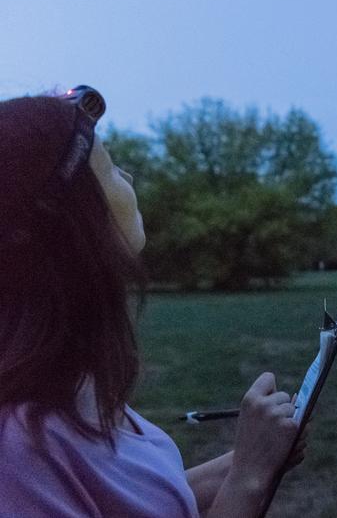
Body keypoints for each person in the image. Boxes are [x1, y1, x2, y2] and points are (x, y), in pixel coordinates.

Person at [0, 90, 304, 517]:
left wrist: (250, 458)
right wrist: (249, 476)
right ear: (77, 223)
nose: (128, 176)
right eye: (108, 169)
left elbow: (142, 505)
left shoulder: (63, 382)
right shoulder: (19, 450)